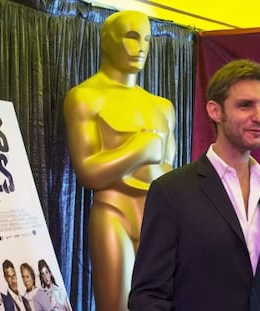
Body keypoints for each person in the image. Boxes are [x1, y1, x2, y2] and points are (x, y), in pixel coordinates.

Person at [128, 59, 260, 310]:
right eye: (245, 105)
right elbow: (147, 297)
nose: (259, 117)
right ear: (215, 111)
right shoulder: (172, 192)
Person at [63, 10, 175, 311]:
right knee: (117, 306)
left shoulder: (162, 107)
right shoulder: (86, 97)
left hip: (158, 217)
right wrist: (138, 150)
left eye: (147, 39)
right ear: (108, 41)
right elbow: (87, 172)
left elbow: (169, 173)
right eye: (131, 36)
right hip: (114, 212)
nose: (141, 47)